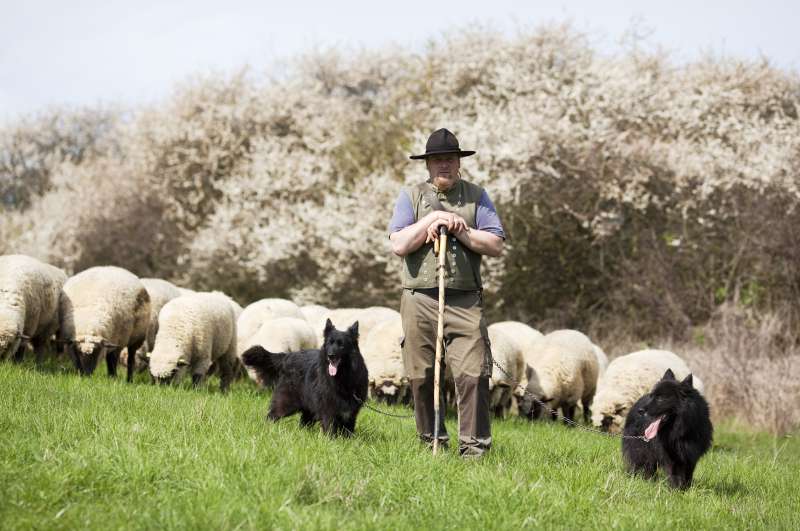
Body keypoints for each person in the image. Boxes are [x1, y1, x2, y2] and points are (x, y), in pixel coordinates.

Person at [387, 128, 505, 457]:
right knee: (421, 375)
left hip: (465, 300)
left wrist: (461, 228)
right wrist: (432, 220)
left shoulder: (476, 196)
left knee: (473, 375)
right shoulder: (409, 196)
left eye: (449, 160)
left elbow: (495, 244)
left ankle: (473, 451)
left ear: (459, 163)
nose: (444, 165)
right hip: (418, 299)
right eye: (437, 160)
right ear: (427, 165)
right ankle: (432, 443)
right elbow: (399, 244)